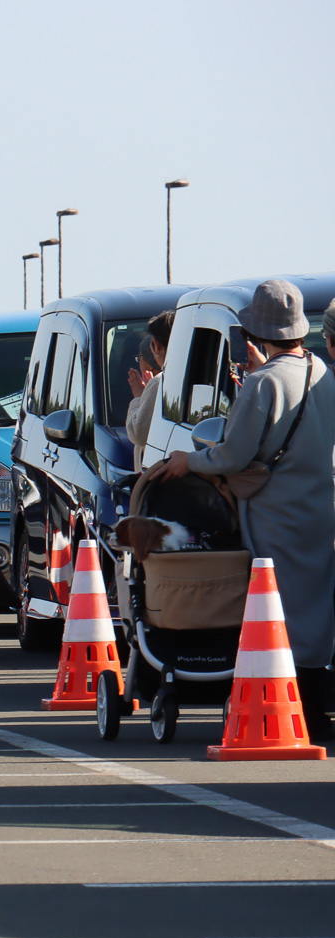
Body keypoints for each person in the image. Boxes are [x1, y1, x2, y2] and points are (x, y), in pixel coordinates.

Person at [147, 281, 335, 739]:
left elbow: (232, 456)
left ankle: (295, 706)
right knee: (317, 602)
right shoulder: (322, 371)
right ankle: (320, 701)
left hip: (274, 510)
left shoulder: (261, 383)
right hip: (321, 507)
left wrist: (187, 460)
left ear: (258, 330)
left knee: (277, 608)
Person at [125, 310, 176, 467]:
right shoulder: (181, 376)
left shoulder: (157, 383)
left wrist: (139, 398)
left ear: (156, 346)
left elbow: (138, 433)